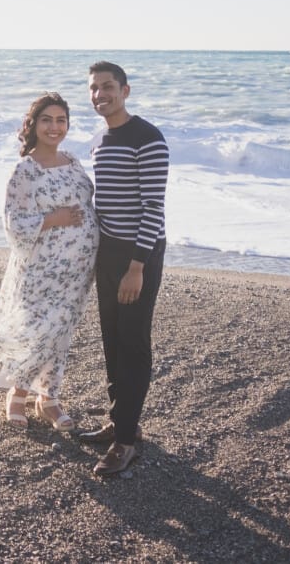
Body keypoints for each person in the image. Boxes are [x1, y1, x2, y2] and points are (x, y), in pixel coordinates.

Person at [0, 92, 100, 431]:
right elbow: (13, 224)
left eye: (61, 120)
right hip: (41, 269)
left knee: (61, 332)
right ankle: (17, 394)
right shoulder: (25, 171)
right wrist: (53, 219)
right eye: (47, 120)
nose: (54, 127)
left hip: (78, 270)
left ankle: (48, 398)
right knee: (35, 331)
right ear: (32, 125)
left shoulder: (72, 160)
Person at [79, 61, 169, 476]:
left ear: (125, 91)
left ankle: (127, 443)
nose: (100, 95)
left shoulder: (148, 138)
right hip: (109, 251)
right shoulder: (99, 139)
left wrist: (137, 267)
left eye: (108, 87)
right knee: (112, 340)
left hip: (139, 254)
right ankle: (120, 422)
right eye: (94, 88)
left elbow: (153, 208)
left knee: (133, 343)